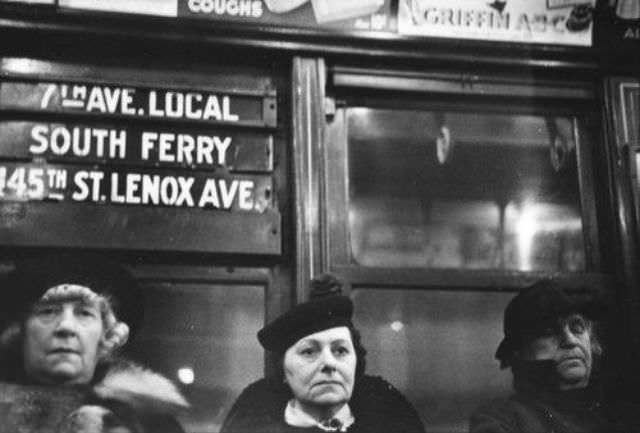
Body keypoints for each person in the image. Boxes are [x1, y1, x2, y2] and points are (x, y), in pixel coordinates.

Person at [0, 254, 189, 433]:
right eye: (48, 312)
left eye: (84, 313)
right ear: (20, 332)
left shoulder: (150, 424)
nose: (66, 327)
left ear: (106, 338)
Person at [220, 273, 426, 433]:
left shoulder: (393, 422)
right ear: (283, 369)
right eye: (309, 351)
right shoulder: (251, 424)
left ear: (356, 363)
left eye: (340, 350)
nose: (329, 363)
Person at [469, 280, 639, 433]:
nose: (570, 340)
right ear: (519, 354)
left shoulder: (625, 417)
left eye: (577, 327)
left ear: (593, 342)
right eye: (549, 331)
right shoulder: (503, 419)